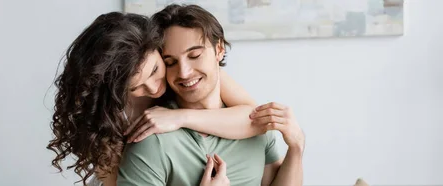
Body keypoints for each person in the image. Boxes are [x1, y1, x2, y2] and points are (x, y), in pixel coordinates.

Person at [47, 12, 264, 186]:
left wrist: (180, 117)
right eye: (136, 87)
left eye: (154, 71)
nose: (153, 88)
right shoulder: (106, 123)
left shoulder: (189, 75)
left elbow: (255, 118)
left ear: (158, 49)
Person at [116, 4, 305, 186]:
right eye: (171, 62)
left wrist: (296, 149)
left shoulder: (256, 126)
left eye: (195, 55)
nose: (184, 72)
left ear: (219, 49)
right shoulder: (152, 141)